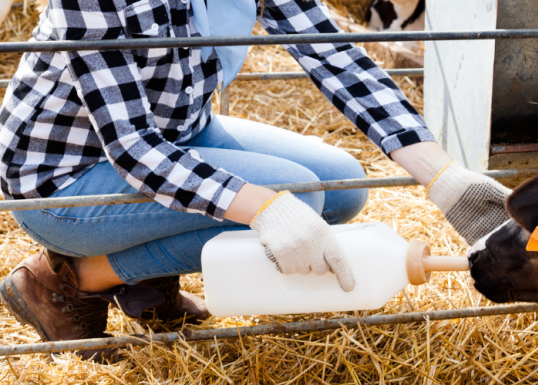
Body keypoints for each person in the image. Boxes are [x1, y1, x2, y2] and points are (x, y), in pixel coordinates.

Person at [0, 0, 510, 360]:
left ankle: (145, 279)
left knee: (342, 186)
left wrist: (443, 177)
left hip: (180, 133)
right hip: (65, 178)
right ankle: (70, 278)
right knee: (288, 204)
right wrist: (263, 208)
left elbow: (335, 58)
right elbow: (132, 147)